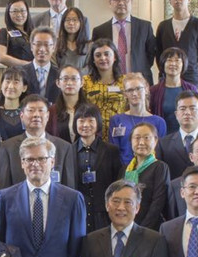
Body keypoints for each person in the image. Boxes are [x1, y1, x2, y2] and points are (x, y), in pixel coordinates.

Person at [0, 94, 76, 190]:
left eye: (41, 110)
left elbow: (69, 190)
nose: (36, 115)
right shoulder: (7, 148)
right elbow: (3, 189)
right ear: (21, 116)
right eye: (31, 110)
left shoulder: (64, 148)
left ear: (47, 116)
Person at [91, 0, 158, 84]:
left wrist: (140, 67)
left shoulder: (145, 27)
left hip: (139, 82)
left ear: (131, 1)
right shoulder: (99, 31)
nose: (121, 3)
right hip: (110, 82)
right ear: (110, 2)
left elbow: (151, 54)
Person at [73, 104, 123, 233]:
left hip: (104, 212)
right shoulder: (68, 150)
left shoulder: (111, 150)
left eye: (91, 120)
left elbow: (117, 182)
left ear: (98, 123)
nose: (86, 125)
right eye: (81, 121)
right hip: (78, 211)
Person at [155, 0, 198, 87]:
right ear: (170, 1)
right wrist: (165, 74)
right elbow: (159, 55)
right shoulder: (163, 26)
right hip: (167, 82)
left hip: (190, 81)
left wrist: (196, 78)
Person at [107, 72, 167, 165]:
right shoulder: (116, 120)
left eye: (138, 89)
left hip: (151, 169)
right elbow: (114, 153)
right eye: (130, 90)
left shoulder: (159, 122)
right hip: (124, 170)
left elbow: (160, 153)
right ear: (125, 94)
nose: (134, 93)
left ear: (146, 89)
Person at [124, 122, 170, 231]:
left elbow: (158, 203)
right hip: (126, 226)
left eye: (146, 138)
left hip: (151, 229)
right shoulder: (126, 169)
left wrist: (141, 230)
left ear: (156, 140)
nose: (141, 142)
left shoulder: (160, 167)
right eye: (137, 138)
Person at [149, 47, 198, 133]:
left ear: (183, 64)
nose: (173, 64)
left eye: (177, 60)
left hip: (186, 136)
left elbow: (196, 114)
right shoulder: (153, 91)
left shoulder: (191, 89)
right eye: (169, 60)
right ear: (163, 64)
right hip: (162, 136)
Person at [82, 39, 126, 132]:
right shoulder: (85, 81)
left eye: (107, 54)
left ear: (114, 57)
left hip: (120, 130)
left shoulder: (125, 81)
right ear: (93, 60)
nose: (102, 58)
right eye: (98, 55)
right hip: (93, 132)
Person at [0, 66, 28, 141]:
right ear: (1, 85)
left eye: (16, 82)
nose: (10, 86)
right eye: (7, 81)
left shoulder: (28, 114)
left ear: (24, 88)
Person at [48, 64, 88, 144]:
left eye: (74, 79)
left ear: (82, 82)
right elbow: (48, 138)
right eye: (65, 79)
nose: (69, 83)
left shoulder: (90, 109)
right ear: (58, 83)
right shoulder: (51, 111)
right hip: (59, 151)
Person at [21, 27, 61, 102]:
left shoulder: (60, 75)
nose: (42, 49)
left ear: (53, 47)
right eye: (38, 44)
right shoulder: (21, 72)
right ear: (31, 47)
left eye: (46, 44)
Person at [0, 0, 34, 68]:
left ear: (27, 12)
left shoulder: (34, 33)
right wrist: (28, 65)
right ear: (8, 13)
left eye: (22, 10)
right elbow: (1, 57)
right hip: (15, 73)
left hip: (34, 73)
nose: (19, 14)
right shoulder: (5, 32)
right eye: (14, 11)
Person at [54, 7, 90, 72]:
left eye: (74, 20)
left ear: (81, 22)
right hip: (60, 78)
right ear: (63, 23)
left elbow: (90, 67)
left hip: (82, 78)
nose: (71, 23)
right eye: (68, 20)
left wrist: (74, 75)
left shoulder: (89, 45)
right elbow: (53, 67)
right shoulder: (55, 44)